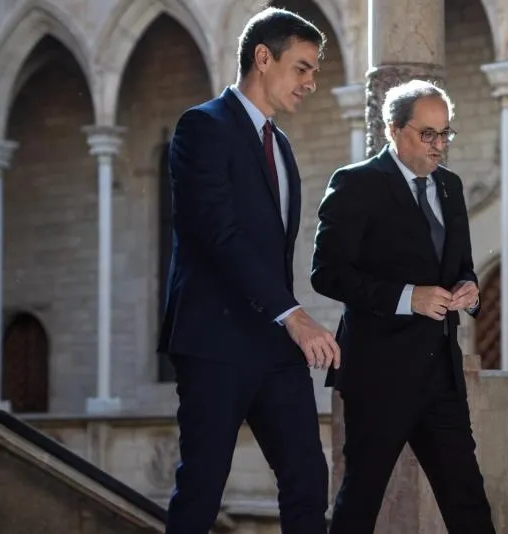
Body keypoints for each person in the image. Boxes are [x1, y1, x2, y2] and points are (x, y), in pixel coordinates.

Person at [157, 7, 339, 534]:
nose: (311, 82)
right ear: (263, 57)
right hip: (214, 340)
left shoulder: (280, 145)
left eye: (314, 71)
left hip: (275, 348)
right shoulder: (202, 126)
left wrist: (286, 321)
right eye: (302, 68)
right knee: (202, 489)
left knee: (307, 479)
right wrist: (295, 315)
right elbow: (217, 234)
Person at [311, 80, 495, 533]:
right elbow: (327, 272)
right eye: (427, 134)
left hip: (442, 379)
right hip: (379, 373)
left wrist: (468, 290)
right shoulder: (355, 184)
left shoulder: (450, 188)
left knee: (469, 503)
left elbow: (462, 267)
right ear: (394, 130)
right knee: (360, 502)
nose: (439, 146)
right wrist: (406, 297)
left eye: (445, 134)